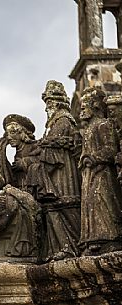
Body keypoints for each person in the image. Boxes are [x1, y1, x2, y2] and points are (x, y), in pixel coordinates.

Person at [27, 80, 81, 261]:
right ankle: (59, 247)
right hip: (54, 169)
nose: (46, 108)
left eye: (49, 103)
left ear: (58, 102)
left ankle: (70, 247)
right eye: (46, 103)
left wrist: (44, 146)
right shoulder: (54, 122)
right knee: (52, 208)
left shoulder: (63, 120)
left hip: (62, 171)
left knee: (64, 205)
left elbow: (57, 144)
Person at [79, 87, 122, 255]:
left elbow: (111, 149)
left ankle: (109, 238)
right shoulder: (88, 129)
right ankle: (93, 240)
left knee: (102, 201)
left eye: (84, 107)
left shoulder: (103, 125)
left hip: (103, 173)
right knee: (90, 203)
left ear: (95, 106)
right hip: (89, 173)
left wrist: (93, 157)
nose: (82, 111)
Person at [0, 114, 38, 190]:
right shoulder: (17, 152)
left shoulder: (35, 146)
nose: (8, 137)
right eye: (7, 134)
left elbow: (42, 161)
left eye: (12, 133)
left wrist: (24, 162)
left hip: (33, 189)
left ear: (22, 133)